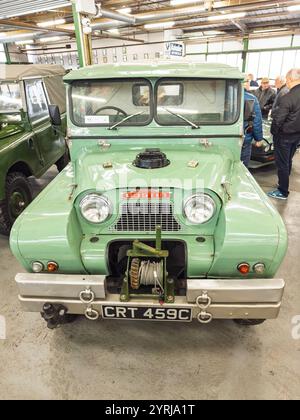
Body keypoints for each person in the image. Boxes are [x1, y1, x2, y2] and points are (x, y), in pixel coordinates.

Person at [268, 68, 300, 200]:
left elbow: (278, 120)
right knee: (288, 160)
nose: (286, 82)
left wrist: (273, 132)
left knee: (282, 163)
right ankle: (283, 182)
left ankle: (282, 191)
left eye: (287, 80)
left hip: (284, 136)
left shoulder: (288, 97)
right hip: (297, 135)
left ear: (290, 80)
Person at [242, 88, 263, 167]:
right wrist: (258, 139)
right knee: (243, 165)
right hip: (243, 137)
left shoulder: (220, 95)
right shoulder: (251, 98)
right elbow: (256, 121)